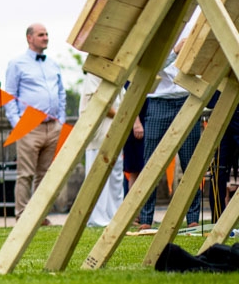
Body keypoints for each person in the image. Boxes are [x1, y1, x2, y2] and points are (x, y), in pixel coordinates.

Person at [4, 23, 66, 225]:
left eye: (47, 34)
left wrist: (62, 119)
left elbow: (61, 93)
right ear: (29, 38)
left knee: (45, 175)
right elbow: (9, 96)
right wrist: (17, 123)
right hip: (29, 127)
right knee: (26, 174)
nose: (46, 38)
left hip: (53, 126)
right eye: (41, 35)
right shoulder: (17, 63)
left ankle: (39, 215)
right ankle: (22, 216)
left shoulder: (53, 64)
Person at [137, 39, 202, 230]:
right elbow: (151, 67)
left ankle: (192, 218)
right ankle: (146, 219)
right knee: (152, 163)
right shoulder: (158, 32)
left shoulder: (193, 31)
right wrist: (174, 51)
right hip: (159, 103)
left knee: (191, 164)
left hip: (187, 100)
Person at [80, 72, 124, 227]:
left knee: (115, 174)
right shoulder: (94, 75)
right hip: (100, 130)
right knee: (98, 174)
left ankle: (115, 215)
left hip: (116, 130)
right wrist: (122, 116)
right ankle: (97, 218)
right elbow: (100, 103)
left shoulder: (118, 73)